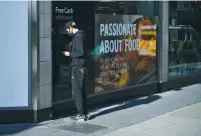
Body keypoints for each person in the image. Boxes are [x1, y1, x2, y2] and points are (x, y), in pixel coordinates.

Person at [63, 21, 88, 121]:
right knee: (81, 90)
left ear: (70, 28)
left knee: (76, 92)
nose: (67, 31)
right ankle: (84, 113)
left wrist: (69, 54)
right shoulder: (81, 35)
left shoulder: (78, 37)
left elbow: (80, 52)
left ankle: (81, 114)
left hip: (77, 66)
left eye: (67, 29)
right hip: (80, 66)